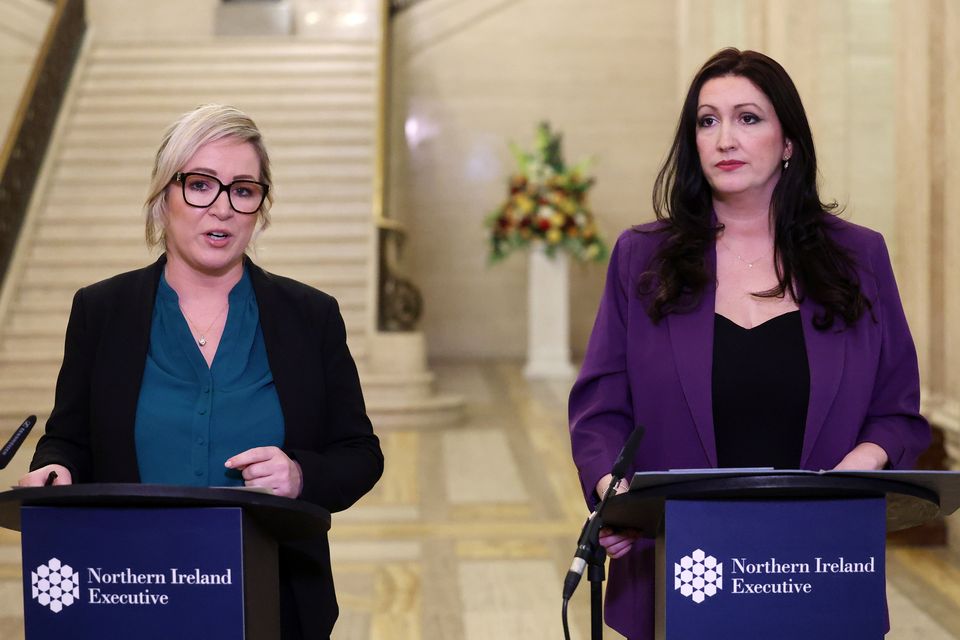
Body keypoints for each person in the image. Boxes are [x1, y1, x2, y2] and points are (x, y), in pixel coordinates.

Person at [568, 48, 930, 639]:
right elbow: (600, 410)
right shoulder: (643, 257)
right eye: (707, 121)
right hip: (683, 567)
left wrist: (852, 474)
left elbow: (897, 410)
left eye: (748, 118)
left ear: (789, 142)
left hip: (818, 562)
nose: (724, 139)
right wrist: (620, 497)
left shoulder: (859, 256)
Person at [19, 103, 384, 639]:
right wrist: (55, 468)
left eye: (242, 189)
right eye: (200, 184)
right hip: (127, 591)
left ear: (259, 207)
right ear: (164, 197)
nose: (222, 208)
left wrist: (301, 475)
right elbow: (68, 437)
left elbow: (360, 453)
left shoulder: (309, 316)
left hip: (275, 603)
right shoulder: (102, 311)